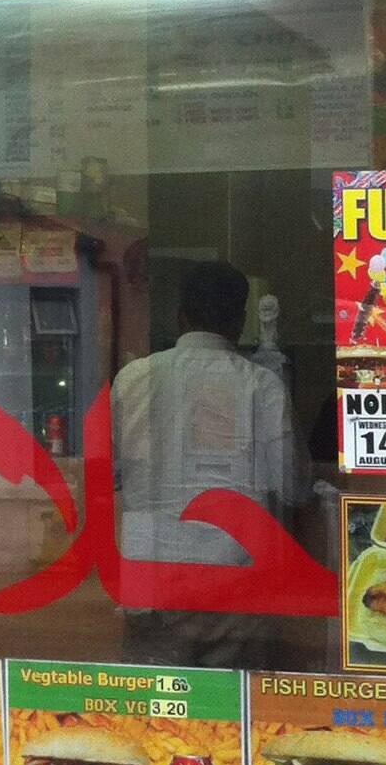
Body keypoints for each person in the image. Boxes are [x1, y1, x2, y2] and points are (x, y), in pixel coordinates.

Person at [110, 259, 314, 668]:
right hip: (229, 579)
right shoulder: (260, 385)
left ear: (180, 316)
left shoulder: (132, 379)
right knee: (227, 709)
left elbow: (112, 474)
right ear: (239, 322)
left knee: (153, 705)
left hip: (147, 576)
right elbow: (294, 486)